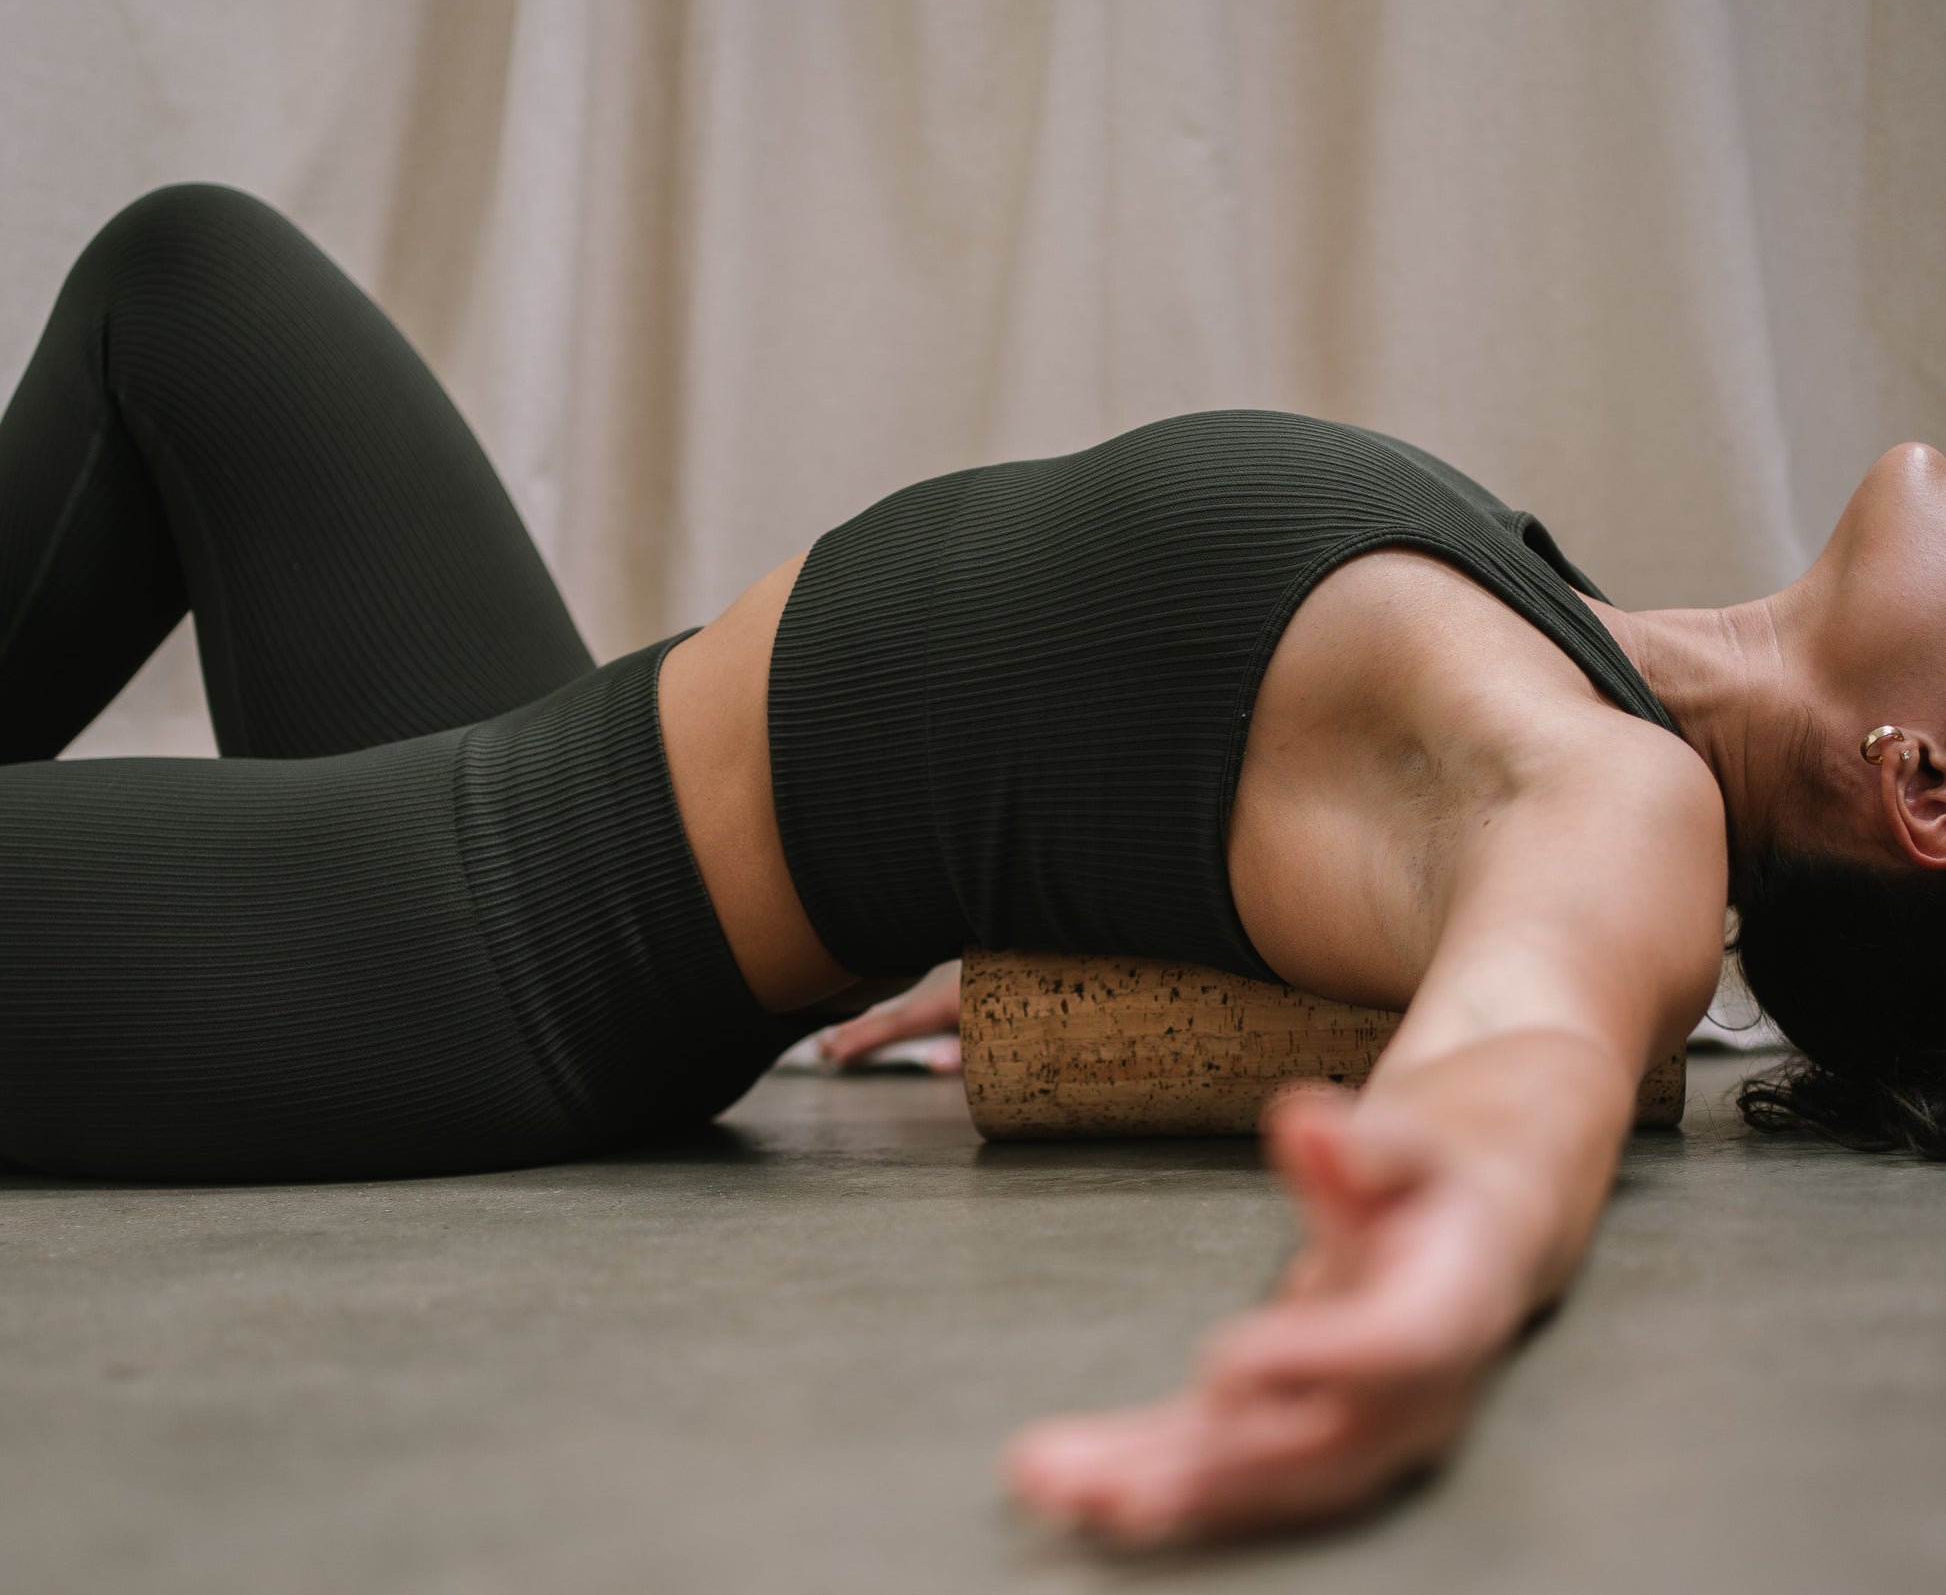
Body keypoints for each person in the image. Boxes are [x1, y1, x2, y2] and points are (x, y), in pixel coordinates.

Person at [2, 183, 1941, 1545]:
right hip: (544, 748)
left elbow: (1531, 1038)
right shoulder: (1558, 629)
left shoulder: (1621, 799)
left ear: (1926, 788)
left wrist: (1433, 1261)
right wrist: (1058, 892)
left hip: (489, 935)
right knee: (194, 279)